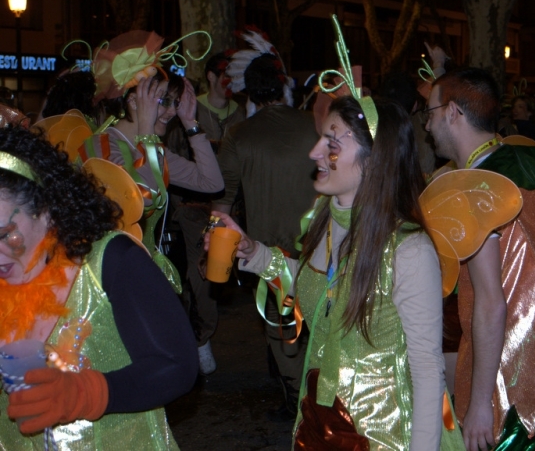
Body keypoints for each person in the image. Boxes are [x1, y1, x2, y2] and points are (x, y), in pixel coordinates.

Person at [209, 95, 462, 449]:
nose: (314, 153)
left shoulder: (409, 250)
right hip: (319, 425)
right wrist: (257, 253)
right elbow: (324, 289)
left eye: (330, 143)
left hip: (385, 438)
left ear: (374, 159)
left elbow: (426, 372)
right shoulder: (325, 219)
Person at [0, 125, 197, 449]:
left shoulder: (111, 260)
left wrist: (86, 394)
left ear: (48, 211)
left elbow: (178, 365)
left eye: (5, 233)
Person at [424, 67, 535, 451]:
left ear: (452, 112)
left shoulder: (473, 189)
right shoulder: (523, 156)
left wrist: (480, 404)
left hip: (506, 358)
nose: (427, 126)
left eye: (429, 113)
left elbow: (490, 305)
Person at [213, 29, 318, 415]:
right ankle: (317, 394)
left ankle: (298, 395)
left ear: (248, 92)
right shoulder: (315, 125)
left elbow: (222, 199)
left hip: (268, 253)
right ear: (282, 83)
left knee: (282, 325)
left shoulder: (238, 134)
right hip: (319, 248)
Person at [79, 31, 224, 294]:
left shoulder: (154, 148)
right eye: (164, 101)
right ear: (134, 101)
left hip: (141, 272)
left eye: (175, 103)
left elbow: (212, 182)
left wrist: (191, 125)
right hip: (108, 279)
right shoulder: (100, 147)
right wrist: (147, 129)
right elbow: (144, 197)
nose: (172, 111)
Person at [167, 51, 245, 375]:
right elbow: (170, 161)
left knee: (223, 274)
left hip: (231, 209)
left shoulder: (240, 114)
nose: (229, 83)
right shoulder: (187, 108)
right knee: (202, 278)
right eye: (224, 75)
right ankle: (201, 339)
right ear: (211, 76)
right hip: (193, 210)